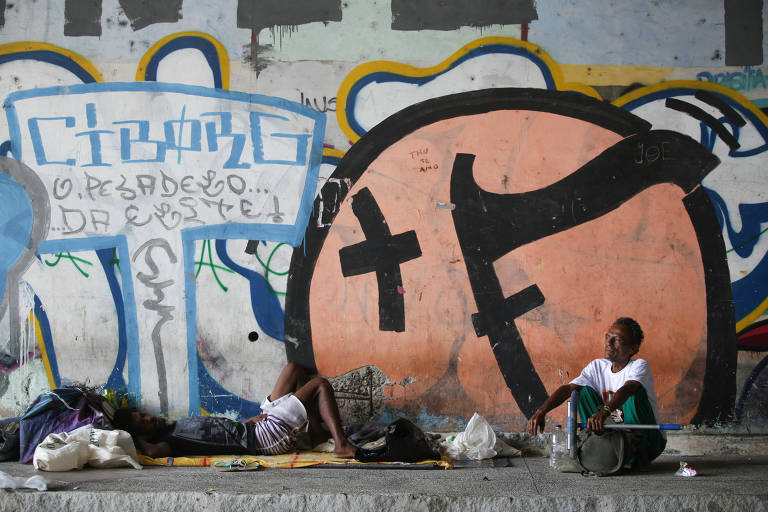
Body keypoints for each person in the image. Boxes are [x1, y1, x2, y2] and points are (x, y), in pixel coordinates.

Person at [112, 362, 358, 459]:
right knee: (320, 385)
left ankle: (315, 433)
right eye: (143, 422)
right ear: (142, 434)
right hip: (264, 439)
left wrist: (246, 422)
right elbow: (154, 452)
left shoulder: (175, 426)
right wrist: (137, 441)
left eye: (143, 415)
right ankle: (340, 444)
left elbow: (219, 431)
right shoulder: (170, 440)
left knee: (294, 370)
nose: (149, 418)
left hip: (253, 427)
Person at [526, 317, 666, 466]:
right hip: (614, 439)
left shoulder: (639, 365)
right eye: (607, 337)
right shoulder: (597, 366)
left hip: (648, 441)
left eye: (616, 339)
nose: (608, 343)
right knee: (582, 391)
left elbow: (628, 388)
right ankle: (596, 443)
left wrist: (605, 411)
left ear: (632, 348)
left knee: (634, 392)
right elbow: (568, 388)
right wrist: (542, 411)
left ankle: (636, 457)